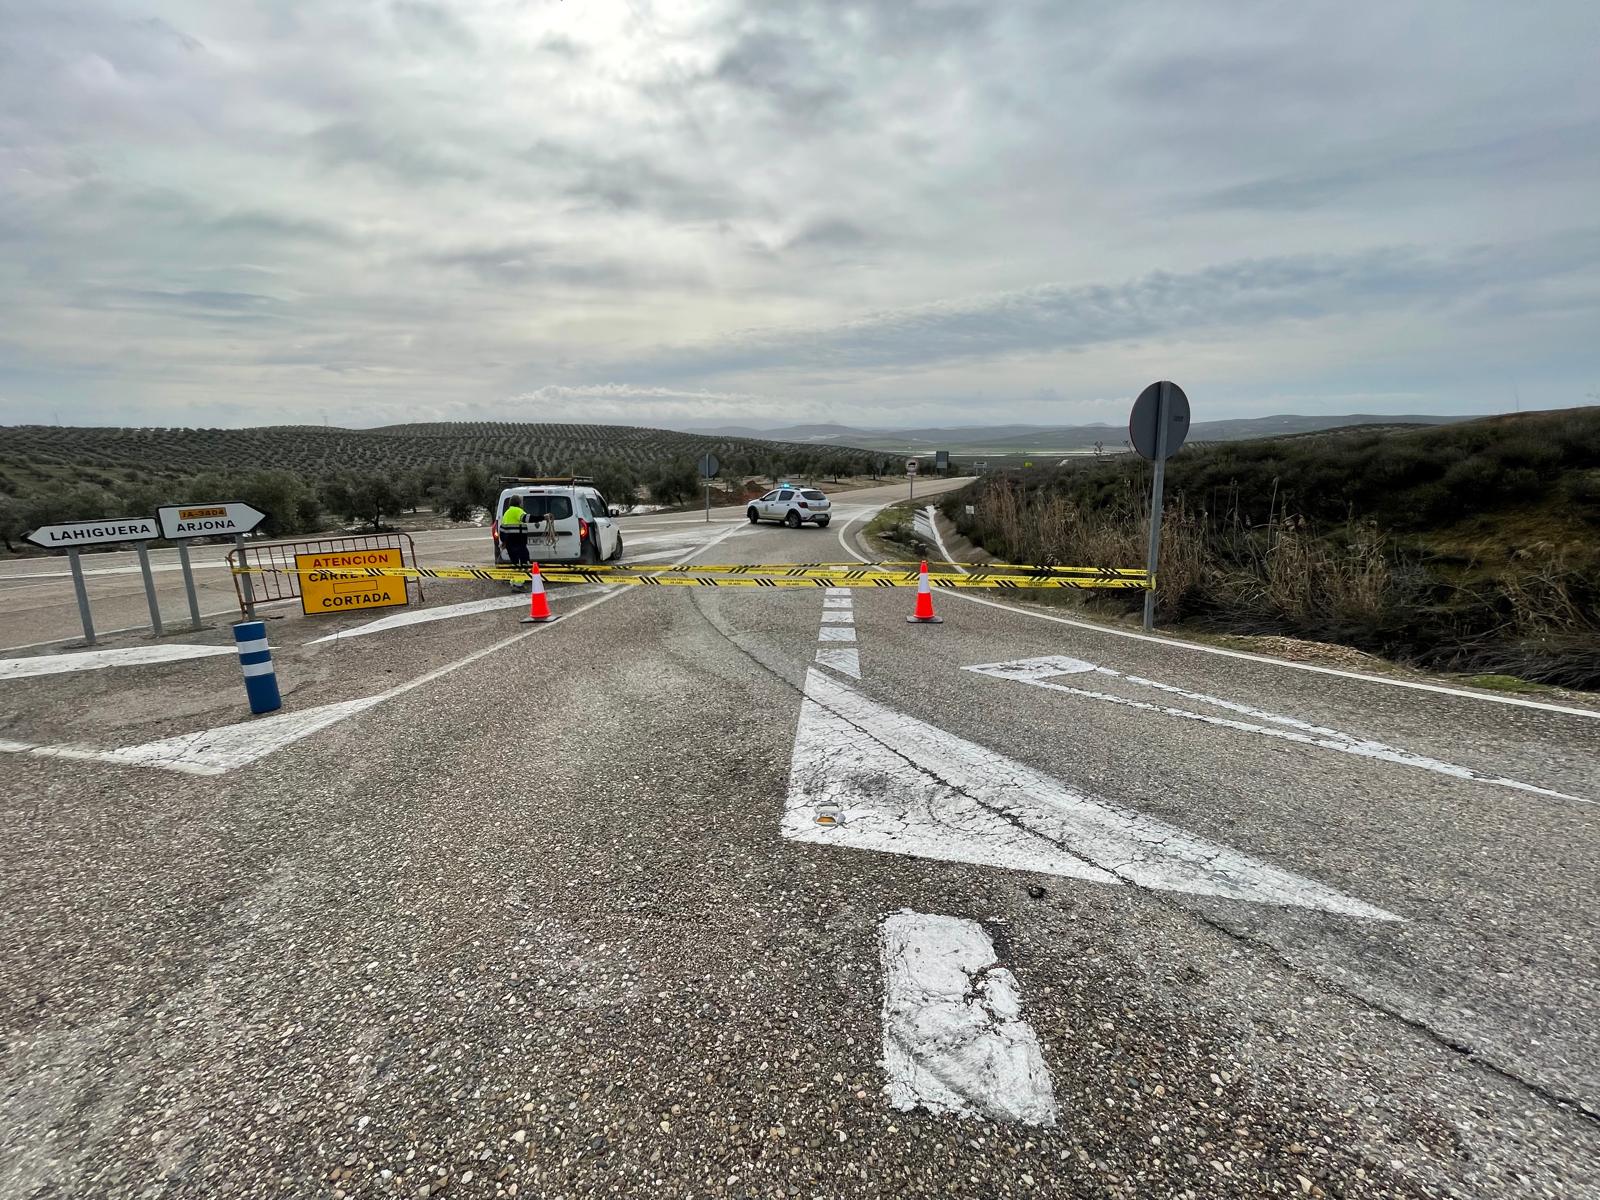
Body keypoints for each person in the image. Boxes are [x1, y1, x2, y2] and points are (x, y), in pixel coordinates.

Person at [500, 497, 531, 586]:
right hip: (518, 542)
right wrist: (543, 517)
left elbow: (502, 529)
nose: (522, 504)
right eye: (521, 502)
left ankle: (513, 582)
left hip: (510, 544)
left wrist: (504, 542)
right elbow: (527, 519)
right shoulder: (517, 511)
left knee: (515, 563)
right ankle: (518, 584)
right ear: (519, 503)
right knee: (524, 562)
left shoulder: (507, 513)